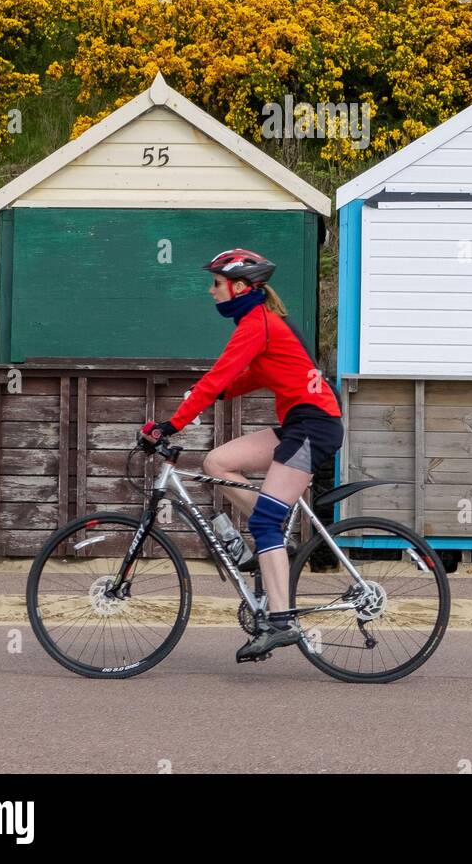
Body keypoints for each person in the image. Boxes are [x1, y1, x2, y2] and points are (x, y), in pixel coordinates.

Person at [141, 247, 344, 661]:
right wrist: (203, 398)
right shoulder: (261, 324)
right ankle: (270, 539)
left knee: (267, 521)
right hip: (297, 426)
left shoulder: (258, 323)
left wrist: (170, 425)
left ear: (239, 286)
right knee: (216, 463)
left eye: (215, 284)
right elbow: (246, 377)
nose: (211, 292)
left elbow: (219, 375)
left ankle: (282, 622)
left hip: (314, 427)